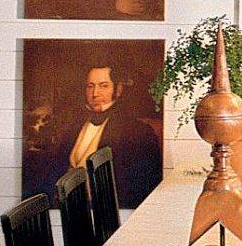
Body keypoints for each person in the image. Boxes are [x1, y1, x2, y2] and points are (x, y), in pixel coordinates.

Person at [52, 61, 163, 210]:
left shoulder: (138, 131)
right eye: (90, 86)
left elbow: (141, 187)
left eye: (104, 86)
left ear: (118, 89)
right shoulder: (74, 127)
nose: (95, 93)